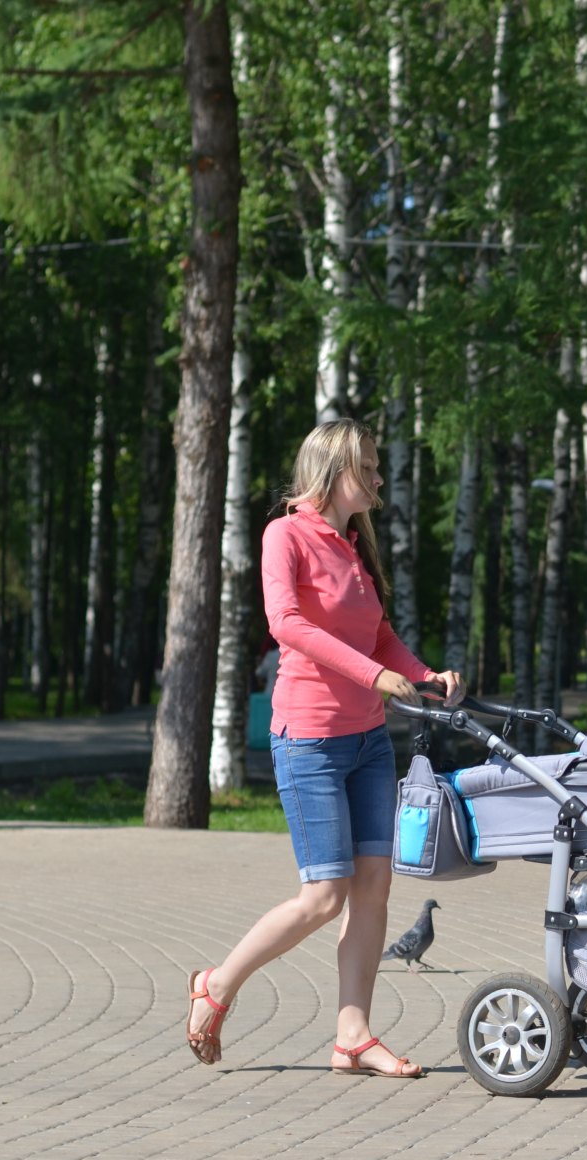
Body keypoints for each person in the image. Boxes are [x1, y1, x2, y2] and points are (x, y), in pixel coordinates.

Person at [185, 420, 464, 1077]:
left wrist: (424, 678)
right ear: (333, 470)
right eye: (367, 467)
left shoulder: (352, 547)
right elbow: (287, 624)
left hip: (368, 741)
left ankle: (353, 1036)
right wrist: (374, 675)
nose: (377, 478)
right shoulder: (286, 535)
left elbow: (379, 637)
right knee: (324, 895)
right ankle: (216, 986)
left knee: (373, 889)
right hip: (309, 740)